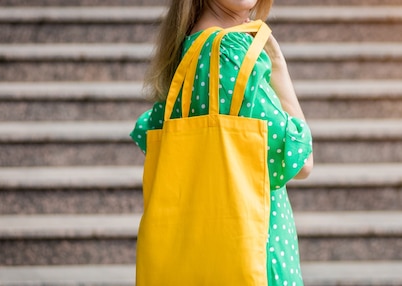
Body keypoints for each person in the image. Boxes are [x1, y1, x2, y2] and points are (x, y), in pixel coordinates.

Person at [130, 0, 314, 284]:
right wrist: (279, 68)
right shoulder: (228, 54)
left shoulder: (189, 51)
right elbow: (301, 162)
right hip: (255, 254)